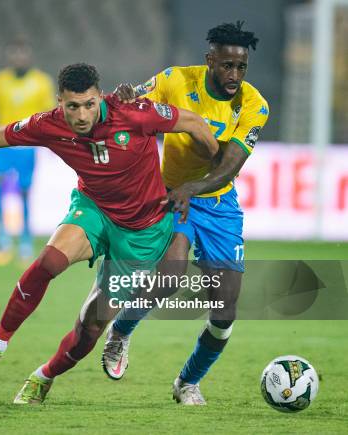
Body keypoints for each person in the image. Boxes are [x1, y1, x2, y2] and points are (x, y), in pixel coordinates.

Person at [0, 63, 220, 404]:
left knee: (91, 325)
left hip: (143, 229)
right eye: (73, 106)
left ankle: (44, 376)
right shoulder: (49, 124)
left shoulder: (133, 113)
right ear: (61, 102)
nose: (82, 114)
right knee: (50, 261)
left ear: (99, 97)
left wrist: (213, 170)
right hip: (94, 210)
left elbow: (193, 123)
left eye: (89, 104)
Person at [101, 21, 270, 405]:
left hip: (217, 203)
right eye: (227, 65)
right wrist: (124, 96)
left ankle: (188, 381)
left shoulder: (254, 105)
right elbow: (130, 100)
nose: (234, 75)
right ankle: (120, 334)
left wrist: (192, 188)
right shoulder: (176, 80)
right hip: (172, 196)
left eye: (241, 67)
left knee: (224, 311)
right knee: (170, 273)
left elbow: (230, 165)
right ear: (210, 60)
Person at [0, 37, 55, 265]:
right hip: (3, 142)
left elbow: (49, 114)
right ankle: (3, 239)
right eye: (14, 53)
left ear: (28, 55)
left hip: (27, 144)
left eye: (22, 53)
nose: (18, 57)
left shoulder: (42, 82)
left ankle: (26, 241)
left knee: (24, 192)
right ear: (9, 56)